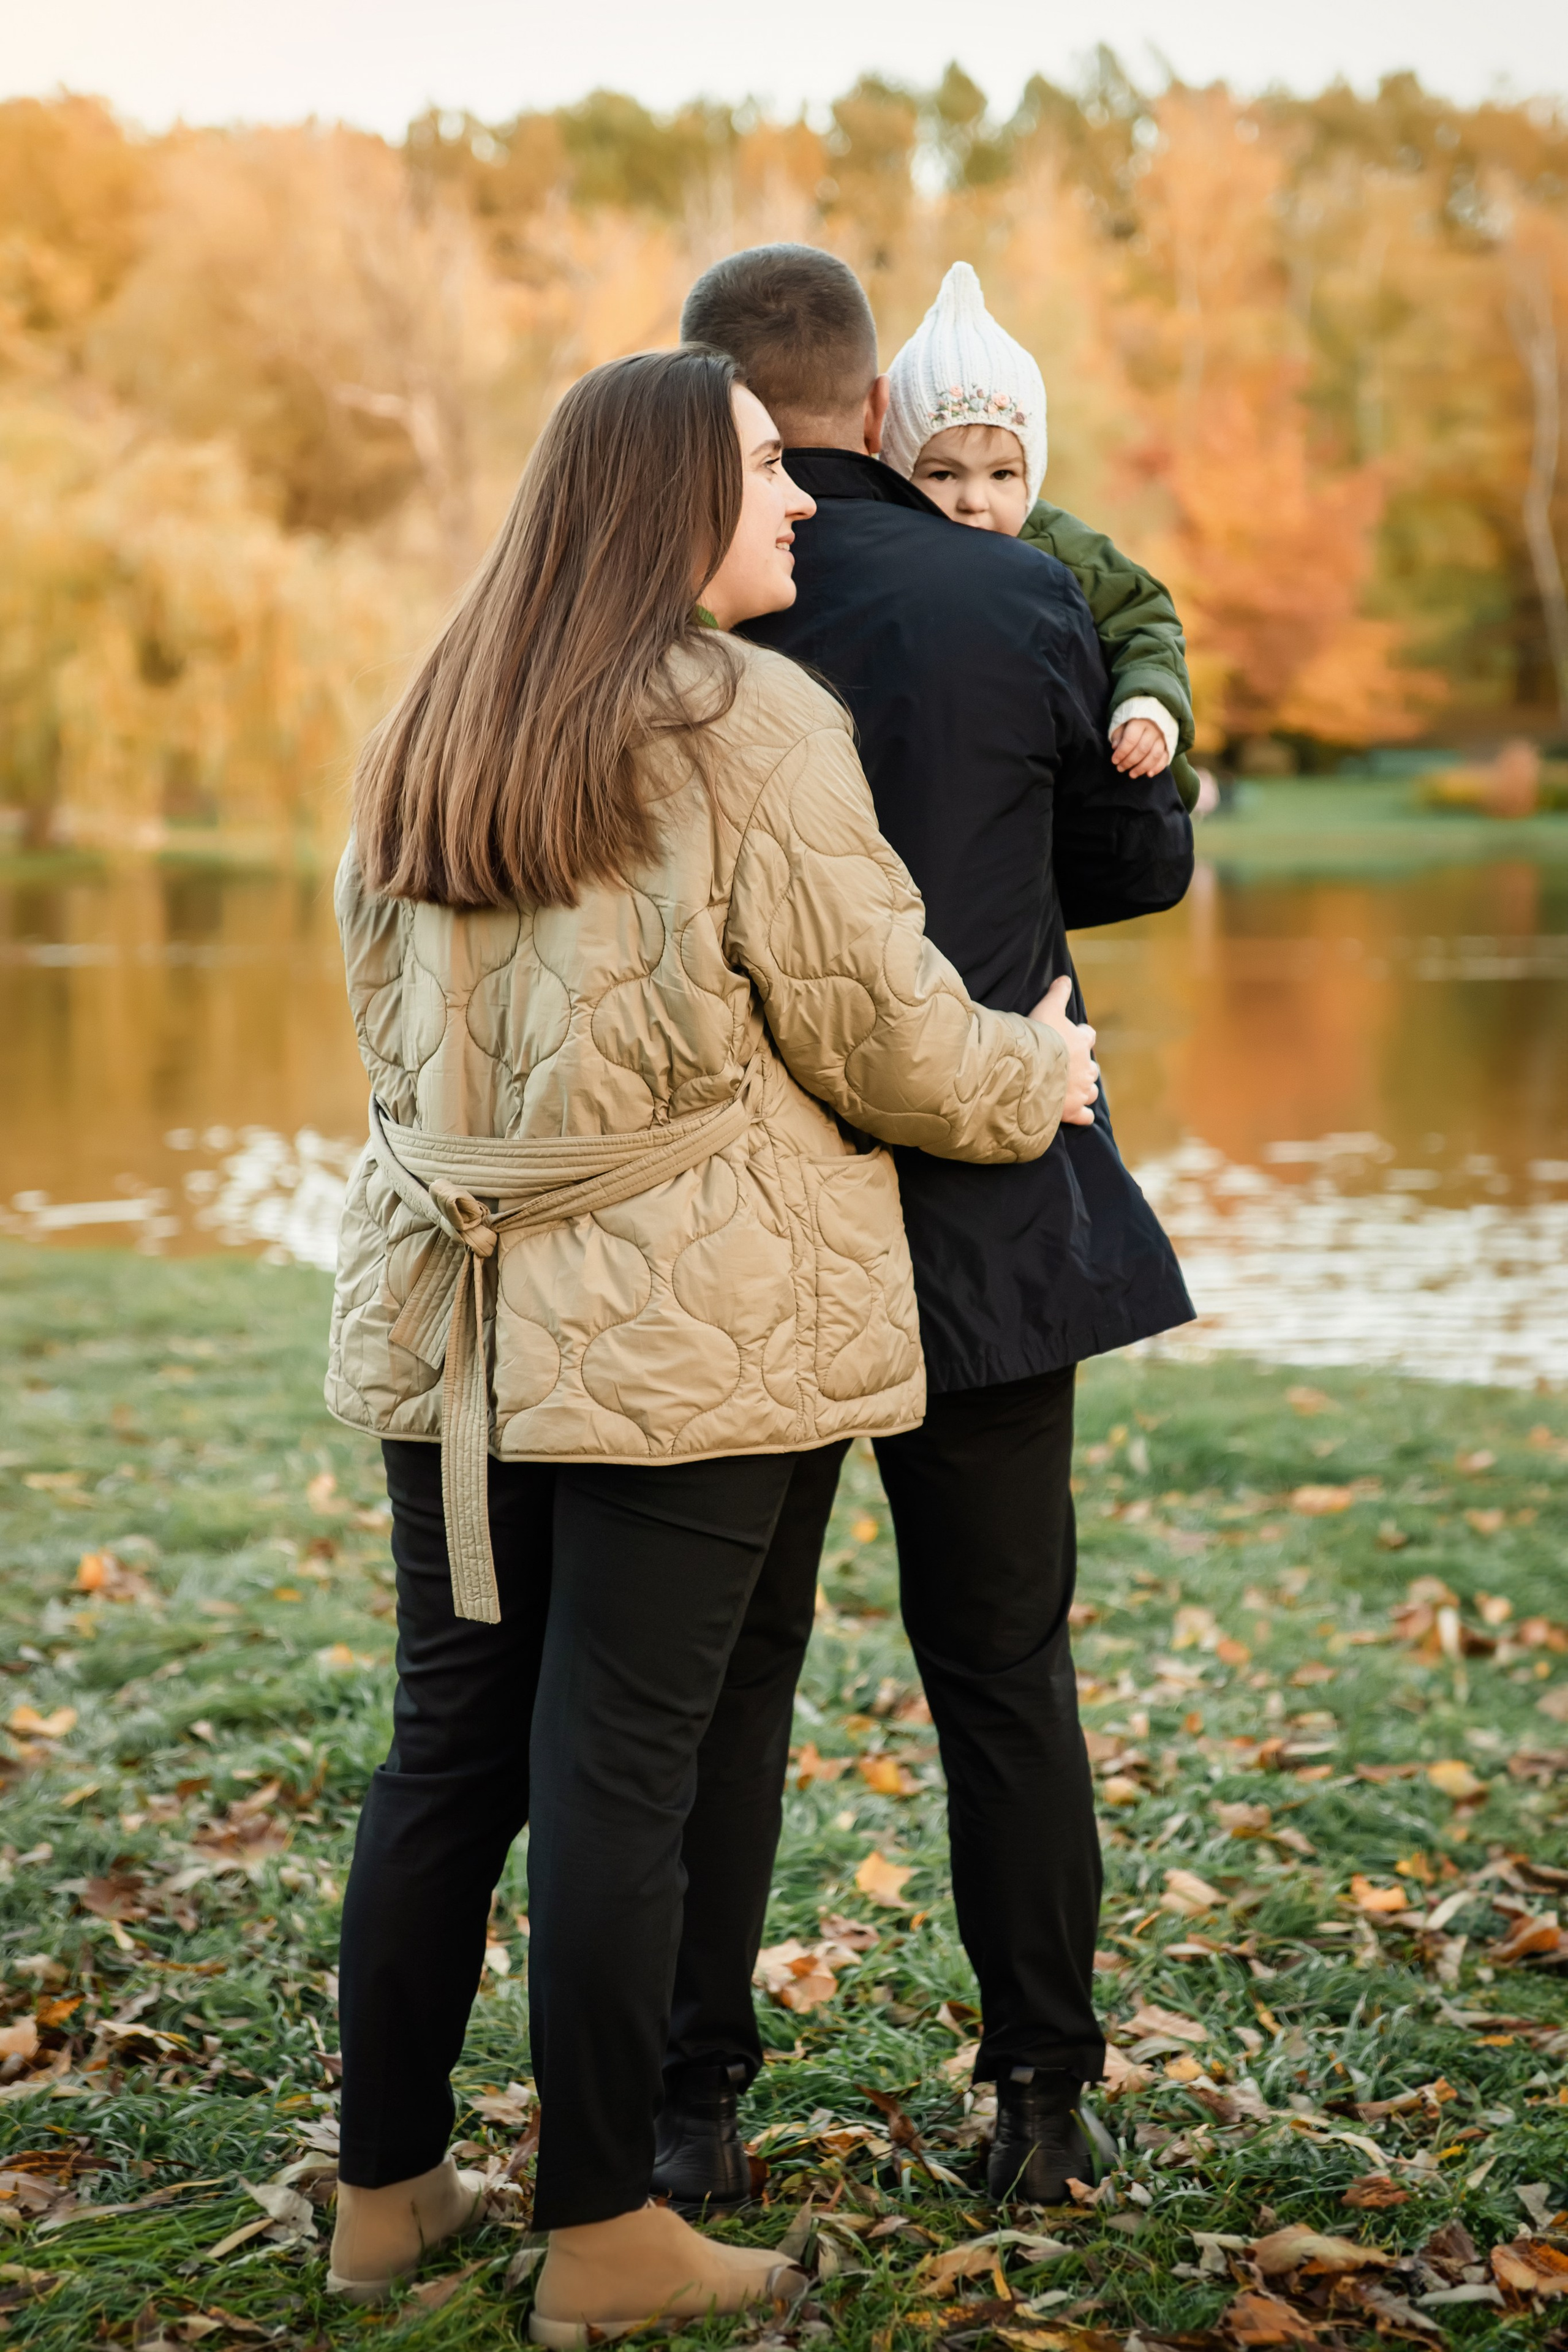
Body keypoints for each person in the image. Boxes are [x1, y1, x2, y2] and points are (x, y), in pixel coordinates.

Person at [320, 345, 1099, 2335]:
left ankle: (388, 2193)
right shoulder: (747, 719)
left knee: (445, 1760)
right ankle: (604, 2233)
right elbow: (888, 1029)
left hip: (452, 1314)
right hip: (685, 1343)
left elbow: (388, 1022)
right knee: (619, 1773)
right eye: (766, 468)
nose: (806, 500)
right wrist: (1043, 1078)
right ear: (671, 497)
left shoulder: (436, 704)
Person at [653, 246, 1194, 2211]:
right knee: (1003, 1669)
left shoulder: (666, 621)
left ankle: (689, 2110)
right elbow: (1132, 863)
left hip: (748, 1224)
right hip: (992, 1204)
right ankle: (1042, 2100)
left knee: (729, 1674)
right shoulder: (1017, 583)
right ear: (878, 404)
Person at [881, 259, 1202, 812]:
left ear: (1031, 473)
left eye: (1002, 475)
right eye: (942, 474)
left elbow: (1144, 616)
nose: (974, 501)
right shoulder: (888, 556)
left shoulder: (1058, 545)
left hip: (1067, 796)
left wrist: (1148, 705)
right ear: (900, 470)